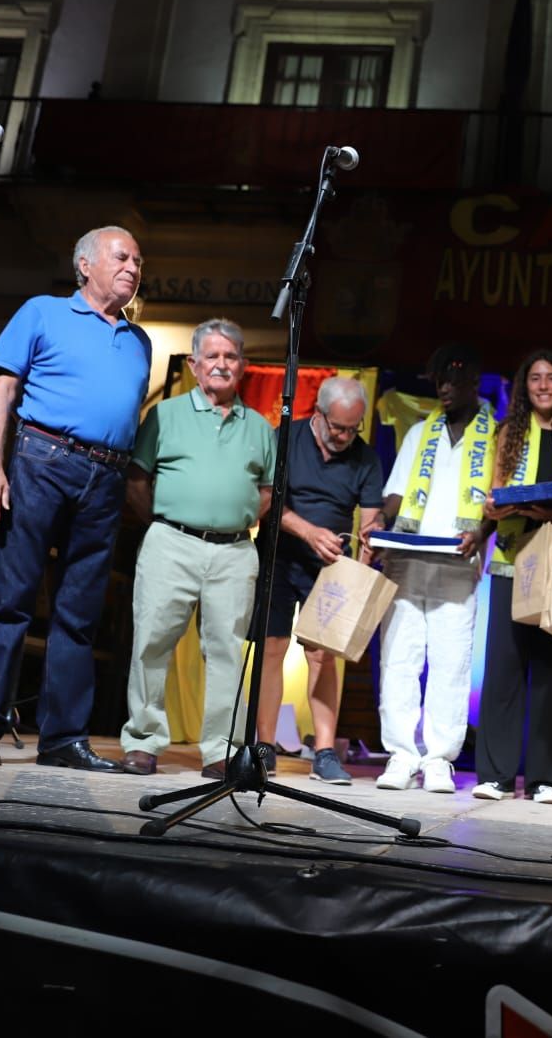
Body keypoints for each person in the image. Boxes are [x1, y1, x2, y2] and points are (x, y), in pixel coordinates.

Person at [0, 225, 151, 771]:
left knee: (80, 612)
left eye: (138, 261)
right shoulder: (42, 311)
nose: (133, 268)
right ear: (85, 265)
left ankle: (64, 738)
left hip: (106, 477)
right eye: (122, 257)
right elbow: (2, 390)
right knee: (10, 598)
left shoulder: (139, 340)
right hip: (43, 460)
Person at [117, 319, 274, 777]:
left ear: (243, 365)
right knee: (151, 643)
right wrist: (166, 523)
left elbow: (266, 492)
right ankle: (143, 741)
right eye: (212, 356)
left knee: (227, 651)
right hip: (171, 543)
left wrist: (233, 516)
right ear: (194, 364)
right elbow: (137, 480)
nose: (221, 364)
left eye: (230, 356)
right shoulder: (165, 415)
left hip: (234, 551)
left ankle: (222, 750)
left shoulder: (261, 427)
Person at [474, 349, 552, 804]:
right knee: (504, 668)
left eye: (551, 378)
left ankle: (548, 779)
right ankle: (497, 775)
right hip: (513, 556)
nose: (543, 386)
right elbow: (492, 493)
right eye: (534, 379)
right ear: (524, 387)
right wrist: (492, 509)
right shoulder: (508, 433)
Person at [370, 344, 493, 793]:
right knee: (399, 659)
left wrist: (481, 532)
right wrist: (378, 521)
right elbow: (396, 493)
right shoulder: (420, 432)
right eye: (439, 381)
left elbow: (497, 503)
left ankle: (439, 759)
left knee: (451, 663)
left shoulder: (496, 437)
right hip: (407, 560)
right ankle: (402, 755)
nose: (444, 388)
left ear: (474, 383)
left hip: (456, 565)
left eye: (453, 380)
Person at [259, 375, 384, 784]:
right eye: (338, 427)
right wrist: (309, 532)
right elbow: (266, 502)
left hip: (329, 569)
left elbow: (371, 518)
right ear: (319, 413)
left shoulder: (365, 458)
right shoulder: (285, 439)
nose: (345, 436)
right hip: (278, 556)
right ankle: (264, 746)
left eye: (353, 429)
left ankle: (325, 752)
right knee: (272, 648)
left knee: (322, 655)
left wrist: (369, 545)